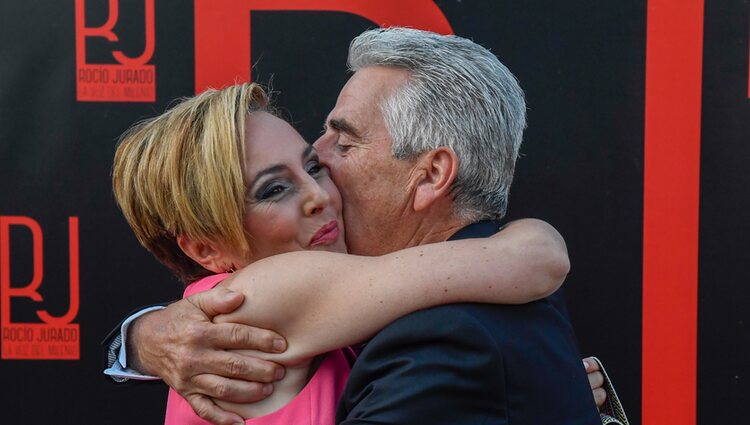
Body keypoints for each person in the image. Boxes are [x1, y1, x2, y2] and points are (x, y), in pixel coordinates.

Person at [106, 27, 608, 425]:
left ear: (431, 174)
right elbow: (526, 260)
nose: (321, 189)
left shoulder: (439, 336)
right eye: (273, 189)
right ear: (205, 249)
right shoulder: (252, 304)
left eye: (332, 152)